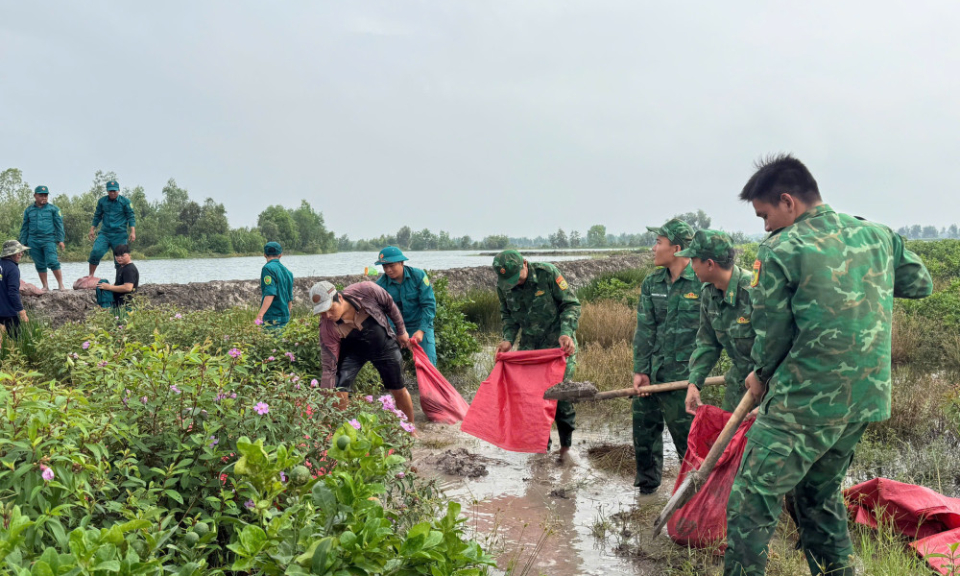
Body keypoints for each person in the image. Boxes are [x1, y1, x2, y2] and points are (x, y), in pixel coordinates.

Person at [723, 154, 932, 576]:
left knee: (750, 500)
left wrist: (760, 376)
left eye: (765, 215)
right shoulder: (878, 236)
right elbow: (920, 284)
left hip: (805, 401)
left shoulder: (782, 249)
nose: (764, 227)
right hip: (863, 400)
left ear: (788, 202)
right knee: (816, 496)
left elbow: (773, 334)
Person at [632, 218, 702, 494]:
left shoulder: (701, 281)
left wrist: (697, 377)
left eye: (658, 243)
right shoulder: (652, 282)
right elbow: (645, 328)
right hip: (652, 372)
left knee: (688, 439)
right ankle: (647, 491)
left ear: (676, 248)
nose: (653, 248)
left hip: (684, 377)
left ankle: (694, 492)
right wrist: (641, 369)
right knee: (644, 432)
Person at [494, 249, 580, 458]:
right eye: (509, 281)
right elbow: (508, 317)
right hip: (530, 350)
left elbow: (571, 305)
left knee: (560, 397)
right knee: (532, 401)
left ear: (525, 264)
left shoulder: (547, 273)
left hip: (559, 346)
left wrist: (566, 333)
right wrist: (508, 339)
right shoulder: (503, 285)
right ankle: (541, 448)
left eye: (517, 278)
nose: (514, 284)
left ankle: (566, 448)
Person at [310, 280, 416, 425]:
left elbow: (389, 305)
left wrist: (401, 331)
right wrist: (325, 396)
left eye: (330, 309)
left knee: (398, 388)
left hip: (383, 345)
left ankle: (410, 428)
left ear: (339, 298)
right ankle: (342, 429)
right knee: (339, 388)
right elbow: (329, 366)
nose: (328, 315)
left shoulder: (366, 290)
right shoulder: (327, 327)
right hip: (352, 353)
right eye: (322, 312)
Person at [678, 229, 754, 414]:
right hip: (739, 385)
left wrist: (762, 379)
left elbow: (780, 344)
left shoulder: (754, 291)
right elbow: (707, 344)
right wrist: (694, 383)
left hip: (769, 385)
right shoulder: (708, 294)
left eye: (693, 260)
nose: (690, 266)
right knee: (729, 440)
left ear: (710, 264)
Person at [374, 246, 438, 365]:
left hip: (420, 324)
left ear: (402, 263)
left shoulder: (418, 276)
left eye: (391, 265)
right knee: (390, 364)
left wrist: (421, 331)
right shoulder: (380, 286)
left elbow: (429, 305)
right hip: (394, 328)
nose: (388, 270)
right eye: (385, 267)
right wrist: (398, 333)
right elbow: (383, 314)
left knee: (428, 364)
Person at [19, 185, 65, 291]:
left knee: (53, 261)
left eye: (45, 195)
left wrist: (61, 240)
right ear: (35, 196)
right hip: (33, 241)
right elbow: (25, 227)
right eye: (41, 195)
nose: (44, 197)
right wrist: (22, 243)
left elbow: (59, 226)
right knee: (39, 264)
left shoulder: (53, 209)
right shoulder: (29, 210)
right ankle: (45, 286)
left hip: (48, 239)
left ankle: (61, 285)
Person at [88, 180, 136, 277]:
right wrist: (92, 229)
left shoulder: (125, 202)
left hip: (120, 234)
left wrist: (132, 232)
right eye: (110, 191)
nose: (112, 193)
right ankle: (91, 276)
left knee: (120, 258)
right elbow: (97, 216)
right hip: (105, 234)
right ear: (107, 191)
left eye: (114, 191)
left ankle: (120, 280)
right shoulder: (102, 201)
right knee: (96, 252)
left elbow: (131, 216)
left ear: (118, 190)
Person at [256, 242, 294, 330]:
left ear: (264, 255)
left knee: (268, 341)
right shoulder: (288, 272)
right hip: (285, 316)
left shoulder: (267, 269)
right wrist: (287, 315)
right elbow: (290, 298)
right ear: (280, 255)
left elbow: (270, 293)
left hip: (271, 317)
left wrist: (260, 315)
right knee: (282, 341)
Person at [0, 240, 30, 344]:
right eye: (19, 252)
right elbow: (13, 292)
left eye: (22, 251)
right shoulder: (12, 268)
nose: (21, 254)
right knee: (17, 342)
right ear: (11, 253)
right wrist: (21, 312)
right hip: (7, 313)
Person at [97, 244, 139, 309]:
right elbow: (118, 283)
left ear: (129, 255)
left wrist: (109, 287)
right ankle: (102, 306)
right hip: (118, 303)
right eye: (117, 256)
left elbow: (128, 287)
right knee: (102, 283)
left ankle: (106, 308)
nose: (119, 258)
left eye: (122, 256)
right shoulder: (121, 267)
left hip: (126, 305)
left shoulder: (129, 269)